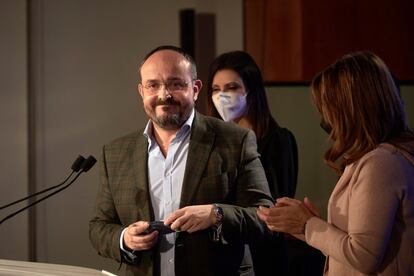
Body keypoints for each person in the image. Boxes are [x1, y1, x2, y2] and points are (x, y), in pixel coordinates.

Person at [89, 45, 274, 276]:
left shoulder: (235, 140)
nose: (164, 94)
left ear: (195, 89)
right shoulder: (115, 153)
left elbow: (265, 217)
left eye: (176, 84)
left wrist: (216, 215)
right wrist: (124, 238)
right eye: (153, 85)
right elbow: (99, 227)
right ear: (141, 91)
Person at [257, 51, 414, 275]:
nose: (326, 120)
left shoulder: (381, 162)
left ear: (352, 108)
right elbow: (350, 248)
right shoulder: (374, 157)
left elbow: (363, 256)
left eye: (328, 108)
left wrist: (308, 224)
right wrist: (303, 226)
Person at [206, 50, 324, 276]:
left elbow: (271, 209)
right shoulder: (212, 143)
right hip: (220, 257)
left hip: (262, 259)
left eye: (231, 88)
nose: (222, 96)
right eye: (216, 89)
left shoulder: (277, 140)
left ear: (251, 91)